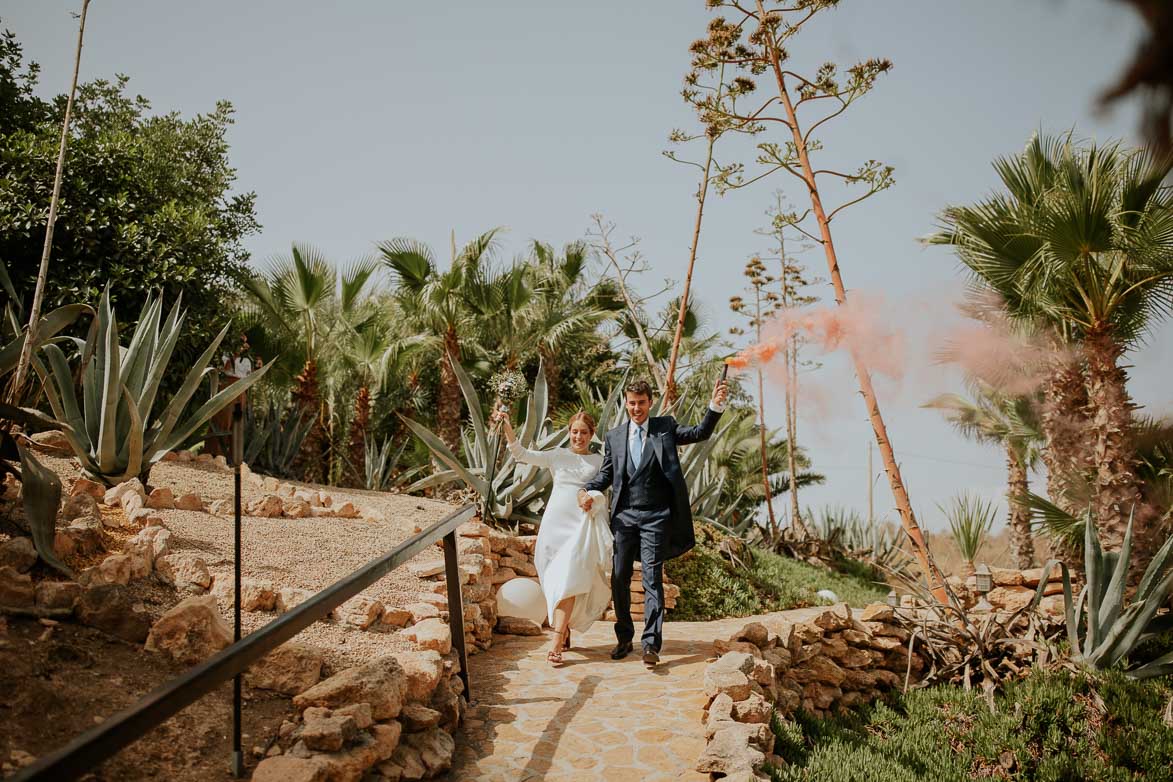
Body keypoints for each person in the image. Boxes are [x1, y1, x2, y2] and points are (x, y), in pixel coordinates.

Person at [579, 377, 727, 668]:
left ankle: (650, 644)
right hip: (624, 518)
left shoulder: (665, 428)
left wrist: (715, 406)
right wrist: (586, 489)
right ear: (625, 402)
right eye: (632, 403)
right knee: (619, 577)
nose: (637, 408)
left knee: (651, 579)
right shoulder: (615, 436)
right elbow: (607, 474)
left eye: (642, 403)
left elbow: (699, 432)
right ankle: (624, 638)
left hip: (656, 517)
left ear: (650, 402)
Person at [497, 410, 612, 666]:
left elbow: (604, 490)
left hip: (580, 528)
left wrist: (593, 501)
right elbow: (521, 454)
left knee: (570, 578)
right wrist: (507, 426)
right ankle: (565, 625)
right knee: (551, 578)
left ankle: (556, 640)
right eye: (574, 432)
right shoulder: (557, 456)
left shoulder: (599, 461)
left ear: (591, 434)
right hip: (553, 526)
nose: (578, 436)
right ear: (568, 433)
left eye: (583, 432)